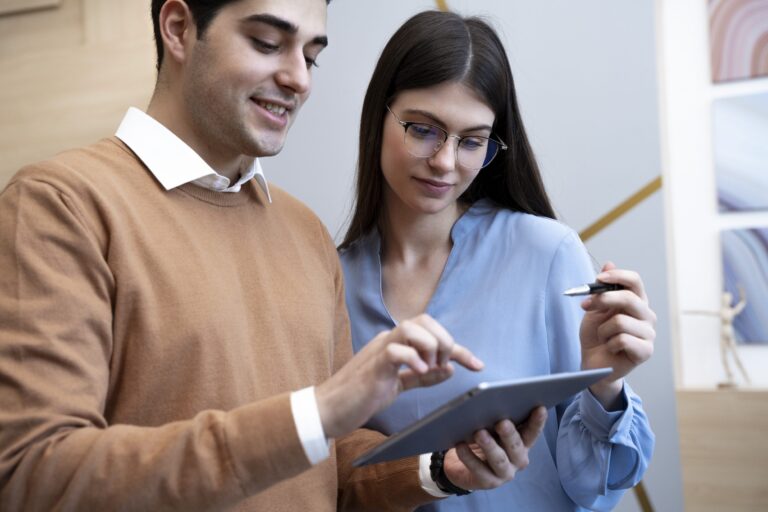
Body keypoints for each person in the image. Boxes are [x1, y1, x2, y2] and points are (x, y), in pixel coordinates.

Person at [0, 1, 546, 510]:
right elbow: (34, 474)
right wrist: (317, 413)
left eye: (311, 56)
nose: (299, 79)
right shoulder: (61, 206)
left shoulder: (304, 232)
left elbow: (327, 462)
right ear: (178, 29)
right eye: (266, 43)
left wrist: (438, 471)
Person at [339, 10, 657, 511]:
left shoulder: (547, 253)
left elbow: (596, 486)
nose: (445, 162)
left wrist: (605, 385)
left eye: (472, 141)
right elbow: (329, 477)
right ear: (379, 115)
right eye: (423, 129)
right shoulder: (331, 281)